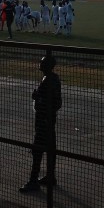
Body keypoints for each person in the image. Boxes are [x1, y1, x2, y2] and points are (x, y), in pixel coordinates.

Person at [20, 54, 62, 192]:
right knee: (50, 149)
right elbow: (57, 102)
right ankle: (50, 176)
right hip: (50, 120)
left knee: (37, 151)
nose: (40, 64)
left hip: (43, 121)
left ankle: (33, 181)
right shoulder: (55, 79)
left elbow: (43, 102)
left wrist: (36, 97)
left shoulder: (46, 81)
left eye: (42, 63)